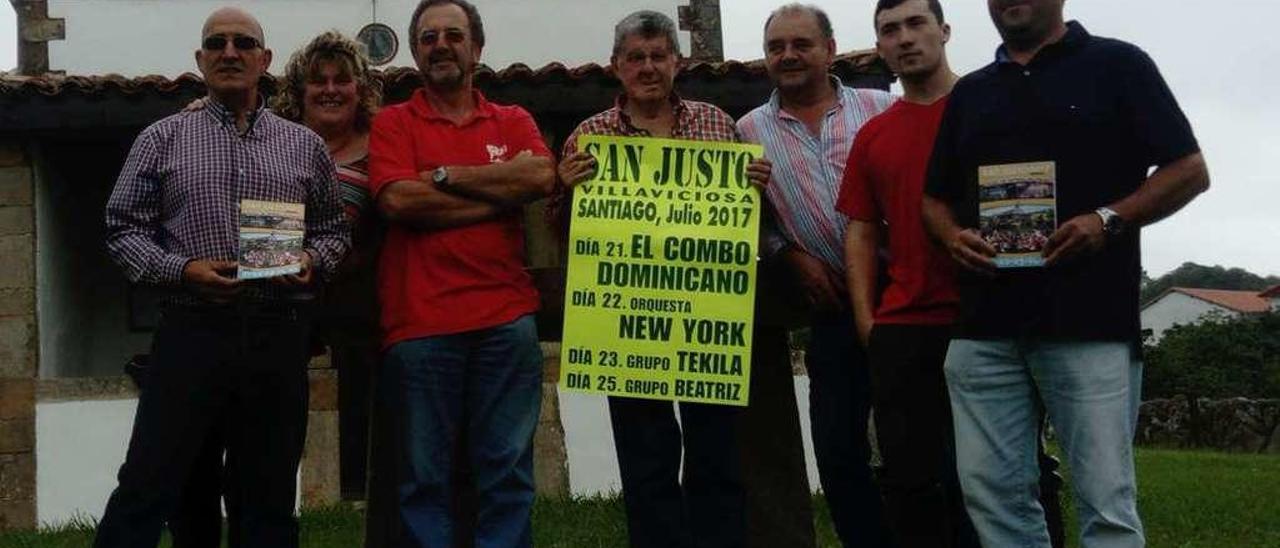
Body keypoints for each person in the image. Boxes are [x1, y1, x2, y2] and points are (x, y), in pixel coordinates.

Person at [921, 1, 1210, 546]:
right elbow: (933, 200)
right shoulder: (972, 91)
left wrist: (1107, 220)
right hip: (984, 327)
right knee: (993, 496)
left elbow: (1189, 169)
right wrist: (952, 235)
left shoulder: (1119, 64)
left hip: (1090, 321)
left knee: (1106, 501)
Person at [96, 7, 350, 548]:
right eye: (216, 43)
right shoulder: (161, 138)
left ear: (265, 60)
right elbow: (121, 229)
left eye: (242, 43)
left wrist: (310, 261)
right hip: (191, 329)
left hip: (278, 331)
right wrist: (182, 270)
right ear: (200, 59)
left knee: (268, 495)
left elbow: (333, 231)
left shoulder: (302, 145)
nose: (229, 52)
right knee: (153, 484)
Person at [553, 10, 769, 548]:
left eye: (658, 56)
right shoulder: (588, 137)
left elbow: (744, 223)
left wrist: (753, 187)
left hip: (705, 323)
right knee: (646, 465)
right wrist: (564, 189)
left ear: (678, 61)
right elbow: (565, 232)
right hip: (628, 328)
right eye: (636, 58)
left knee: (717, 458)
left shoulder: (719, 124)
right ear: (616, 67)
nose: (648, 67)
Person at [367, 1, 556, 546]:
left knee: (508, 472)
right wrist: (497, 195)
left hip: (506, 319)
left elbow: (540, 175)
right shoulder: (394, 122)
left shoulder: (512, 119)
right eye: (428, 37)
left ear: (476, 47)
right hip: (420, 326)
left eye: (454, 34)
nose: (441, 45)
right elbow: (400, 201)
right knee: (425, 480)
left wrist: (447, 176)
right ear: (415, 51)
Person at [735, 4, 893, 546]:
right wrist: (784, 254)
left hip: (902, 296)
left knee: (919, 439)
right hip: (829, 304)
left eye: (801, 44)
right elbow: (749, 217)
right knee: (838, 447)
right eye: (776, 47)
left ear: (829, 49)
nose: (788, 55)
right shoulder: (747, 129)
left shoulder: (880, 108)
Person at [834, 1, 977, 546]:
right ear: (879, 47)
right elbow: (862, 230)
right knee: (910, 478)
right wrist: (869, 319)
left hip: (987, 323)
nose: (905, 38)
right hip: (903, 326)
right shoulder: (873, 135)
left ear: (944, 30)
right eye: (889, 30)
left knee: (997, 474)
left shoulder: (990, 106)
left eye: (916, 24)